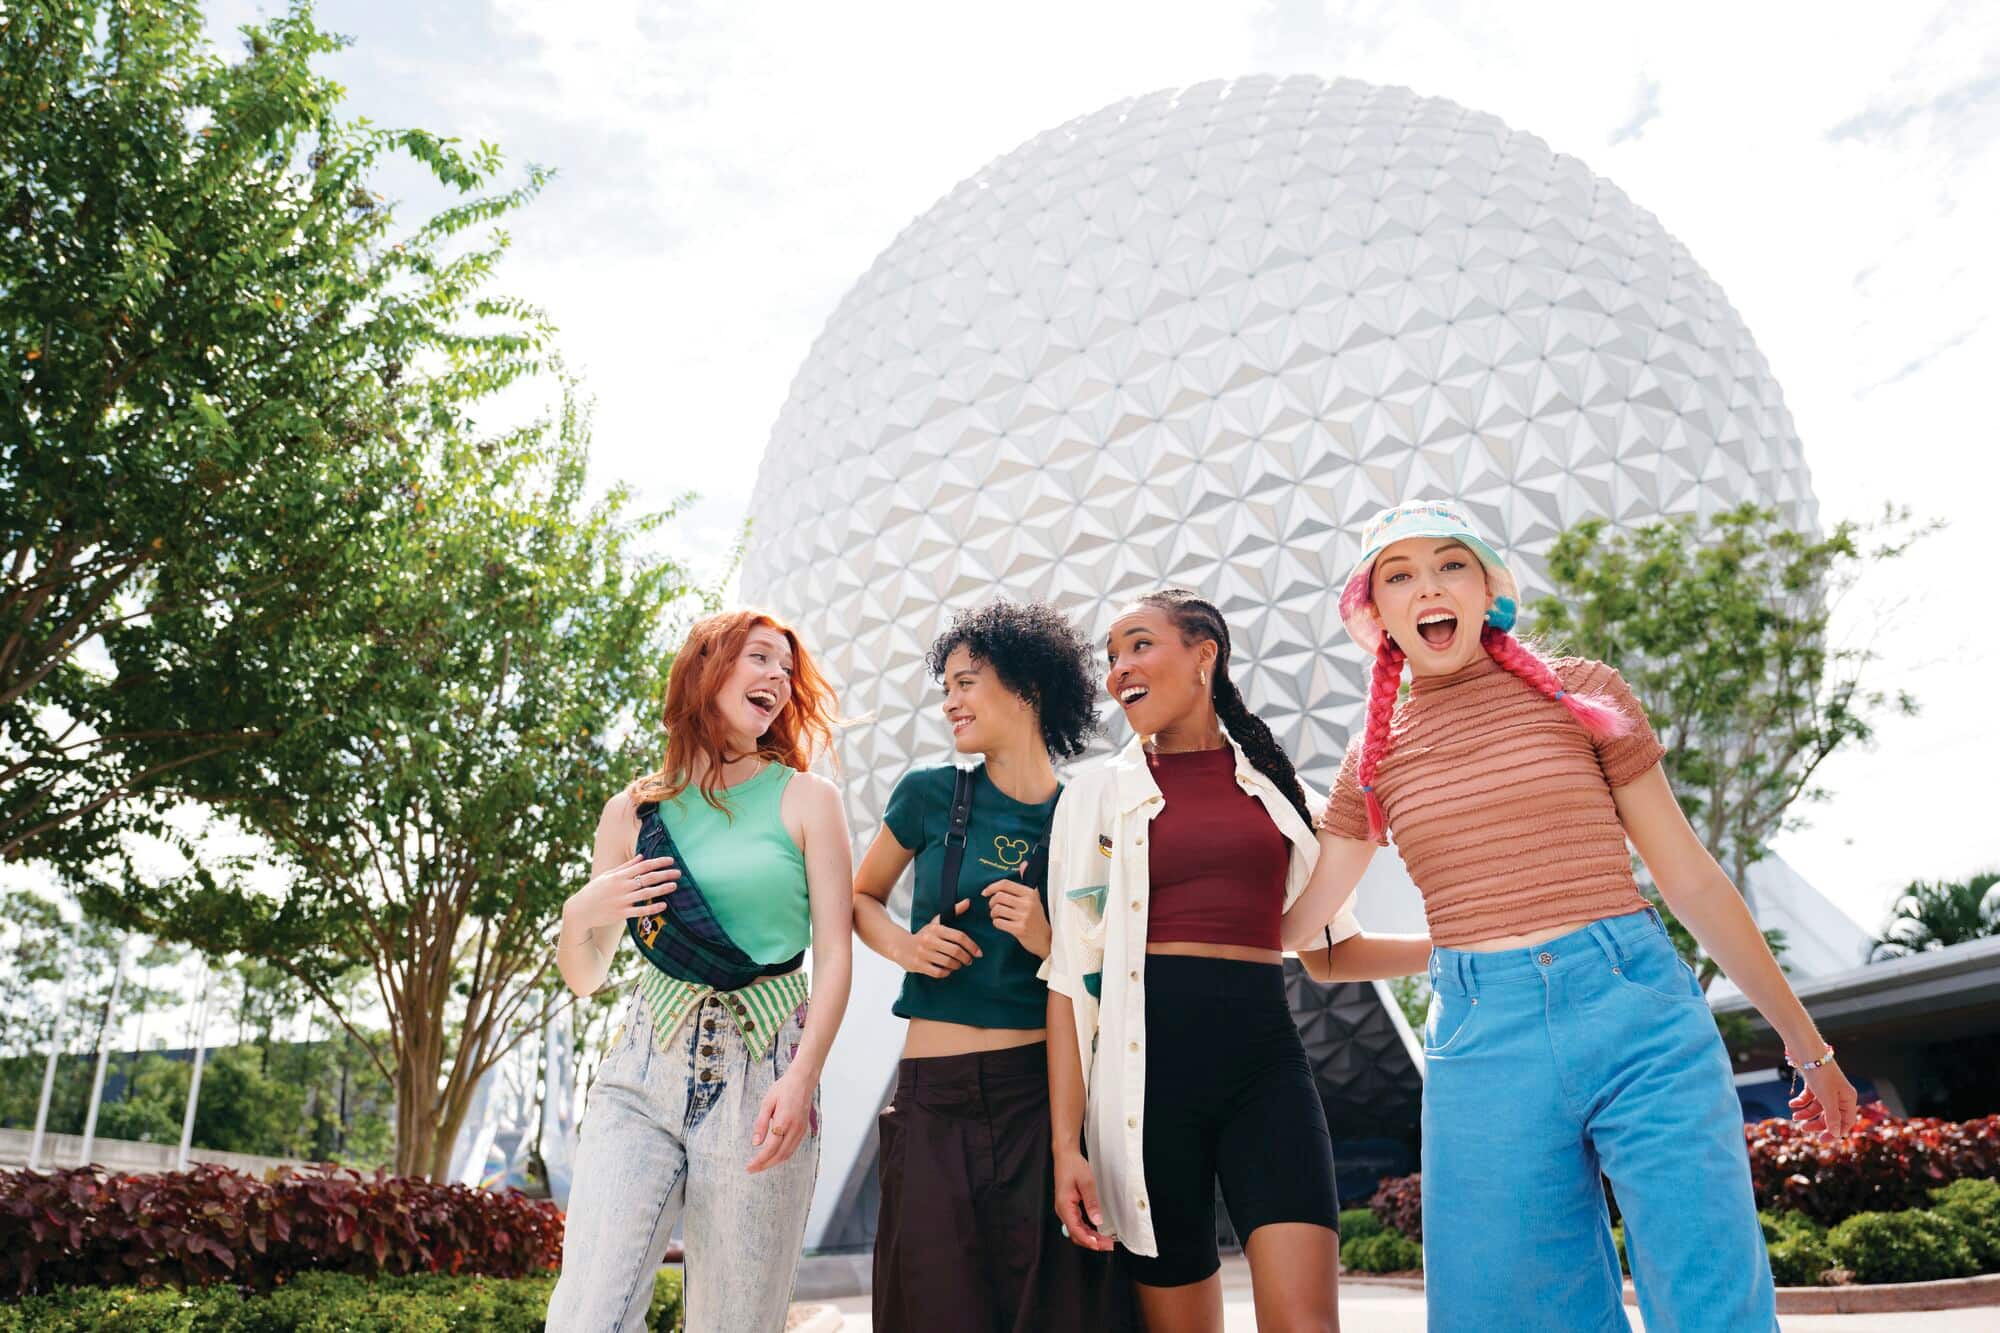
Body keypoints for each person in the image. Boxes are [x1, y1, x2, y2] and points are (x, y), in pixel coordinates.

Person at [1291, 498, 1858, 1332]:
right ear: (1376, 614)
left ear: (1488, 588)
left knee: (1714, 1301)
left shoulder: (1581, 692)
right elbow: (1303, 930)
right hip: (1484, 1042)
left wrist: (1808, 1045)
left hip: (1639, 1009)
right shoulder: (1372, 761)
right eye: (1399, 575)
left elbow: (1691, 878)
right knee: (1508, 1314)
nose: (1428, 588)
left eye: (1451, 564)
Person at [1043, 588, 1427, 1333]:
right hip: (1144, 1092)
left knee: (1306, 1324)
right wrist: (1068, 1146)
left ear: (1203, 656)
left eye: (1140, 644)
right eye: (1112, 654)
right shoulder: (1096, 796)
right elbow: (1067, 981)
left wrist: (1451, 943)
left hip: (1267, 1073)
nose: (1120, 666)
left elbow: (1328, 951)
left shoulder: (1280, 792)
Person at [547, 609, 854, 1333]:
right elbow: (585, 975)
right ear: (707, 668)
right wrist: (578, 911)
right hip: (641, 1070)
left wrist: (802, 1077)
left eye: (786, 668)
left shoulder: (807, 799)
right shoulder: (633, 810)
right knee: (589, 1312)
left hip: (765, 1075)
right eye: (759, 659)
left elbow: (837, 956)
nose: (778, 678)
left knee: (735, 1321)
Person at [852, 599, 1132, 1333]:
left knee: (1059, 1307)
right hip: (931, 1099)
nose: (951, 701)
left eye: (967, 681)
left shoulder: (1083, 816)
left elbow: (1112, 969)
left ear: (1029, 689)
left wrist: (1049, 941)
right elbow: (861, 898)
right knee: (931, 1308)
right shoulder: (927, 793)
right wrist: (905, 947)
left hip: (1038, 1098)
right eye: (946, 685)